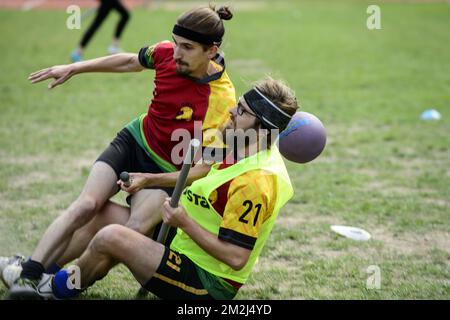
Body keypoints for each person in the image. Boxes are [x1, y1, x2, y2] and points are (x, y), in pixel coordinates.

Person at [2, 5, 236, 295]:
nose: (176, 53)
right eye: (175, 43)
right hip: (134, 142)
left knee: (131, 232)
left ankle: (60, 285)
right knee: (87, 205)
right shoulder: (164, 53)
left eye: (187, 48)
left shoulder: (223, 100)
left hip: (165, 170)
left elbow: (204, 169)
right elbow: (129, 62)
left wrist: (150, 180)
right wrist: (75, 67)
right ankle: (30, 273)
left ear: (211, 51)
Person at [8, 78, 299, 300]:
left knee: (112, 237)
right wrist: (147, 179)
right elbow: (199, 170)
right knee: (101, 214)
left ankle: (55, 289)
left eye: (242, 111)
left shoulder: (256, 180)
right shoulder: (240, 143)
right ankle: (37, 273)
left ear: (262, 129)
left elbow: (236, 258)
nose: (232, 112)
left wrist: (183, 220)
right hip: (183, 245)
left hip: (205, 281)